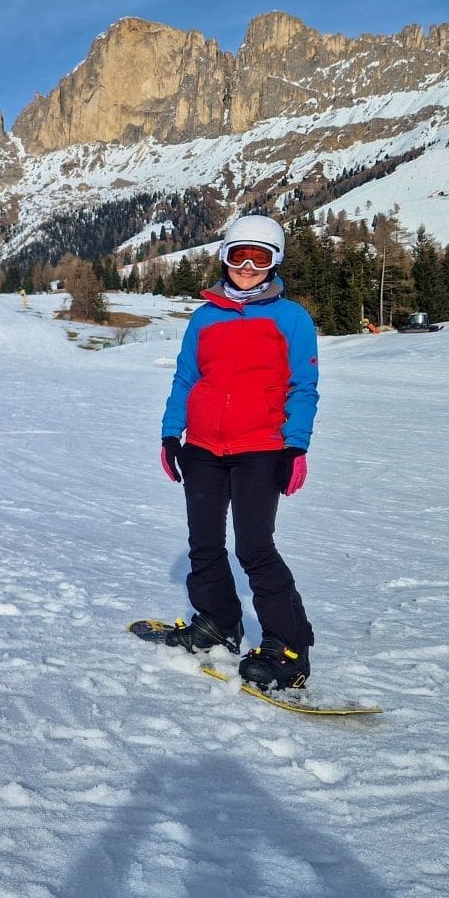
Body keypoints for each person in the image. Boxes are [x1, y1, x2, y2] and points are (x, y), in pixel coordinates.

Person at [158, 214, 319, 689]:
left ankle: (289, 646)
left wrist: (296, 446)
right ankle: (219, 621)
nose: (247, 266)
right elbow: (187, 378)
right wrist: (172, 433)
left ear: (275, 263)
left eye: (260, 257)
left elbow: (303, 386)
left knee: (255, 547)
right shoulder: (205, 317)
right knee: (204, 544)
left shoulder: (291, 317)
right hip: (204, 446)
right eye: (238, 256)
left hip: (260, 448)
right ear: (225, 257)